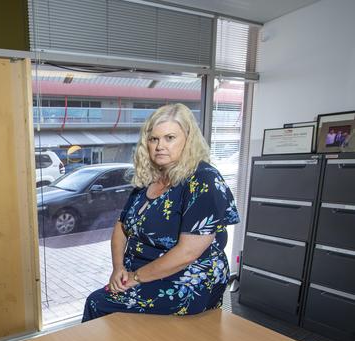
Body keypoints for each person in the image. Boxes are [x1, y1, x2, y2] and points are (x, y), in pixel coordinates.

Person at [82, 103, 240, 322]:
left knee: (97, 303)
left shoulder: (204, 179)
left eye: (169, 138)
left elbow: (187, 253)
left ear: (188, 139)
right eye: (154, 139)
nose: (160, 146)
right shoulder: (150, 179)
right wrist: (118, 268)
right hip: (144, 272)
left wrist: (135, 277)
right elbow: (121, 226)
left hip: (188, 278)